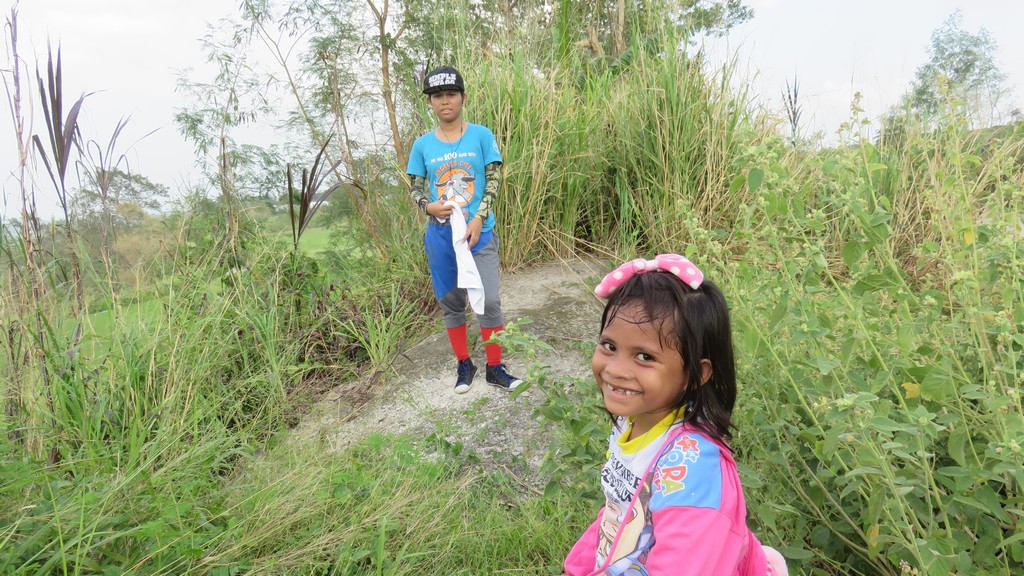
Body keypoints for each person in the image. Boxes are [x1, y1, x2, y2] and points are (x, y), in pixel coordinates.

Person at [563, 255, 788, 576]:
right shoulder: (635, 420)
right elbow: (618, 511)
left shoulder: (690, 471)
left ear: (696, 374)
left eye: (644, 356)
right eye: (609, 346)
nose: (615, 369)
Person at [406, 65, 523, 394]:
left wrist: (479, 218)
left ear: (463, 98)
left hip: (478, 233)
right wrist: (427, 206)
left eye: (451, 94)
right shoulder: (422, 145)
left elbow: (495, 180)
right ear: (430, 102)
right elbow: (415, 188)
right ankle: (464, 363)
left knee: (489, 300)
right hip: (441, 234)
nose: (445, 101)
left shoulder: (481, 136)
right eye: (437, 96)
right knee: (452, 302)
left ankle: (495, 367)